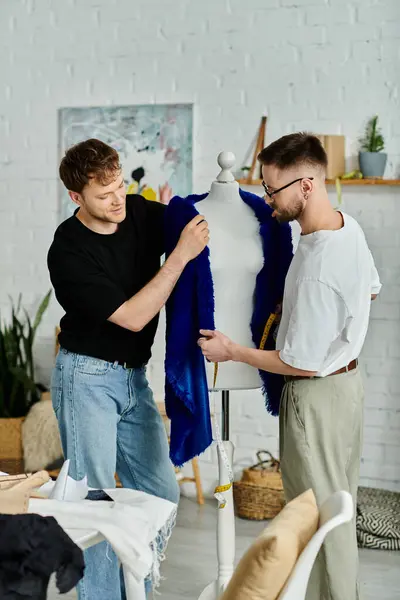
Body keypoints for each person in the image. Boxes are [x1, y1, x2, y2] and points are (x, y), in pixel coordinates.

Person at [198, 133, 381, 600]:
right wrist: (306, 312)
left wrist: (232, 351)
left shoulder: (319, 267)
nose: (267, 200)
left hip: (316, 398)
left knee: (315, 515)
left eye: (273, 190)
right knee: (340, 507)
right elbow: (371, 288)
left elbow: (295, 364)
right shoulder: (346, 228)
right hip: (348, 387)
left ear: (306, 185)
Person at [47, 138, 209, 600]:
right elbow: (134, 316)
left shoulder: (137, 212)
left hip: (134, 377)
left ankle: (132, 581)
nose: (118, 199)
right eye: (104, 194)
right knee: (94, 506)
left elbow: (192, 219)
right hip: (86, 379)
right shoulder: (68, 251)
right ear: (77, 198)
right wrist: (179, 257)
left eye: (119, 186)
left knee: (162, 492)